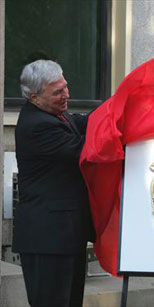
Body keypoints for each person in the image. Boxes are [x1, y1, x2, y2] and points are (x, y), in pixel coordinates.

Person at [12, 60, 95, 306]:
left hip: (66, 236)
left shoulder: (55, 114)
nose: (66, 95)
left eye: (66, 87)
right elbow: (88, 150)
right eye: (57, 92)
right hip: (47, 240)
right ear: (34, 97)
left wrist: (122, 104)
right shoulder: (37, 126)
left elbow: (85, 123)